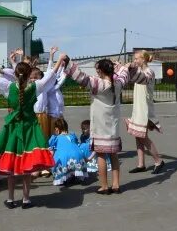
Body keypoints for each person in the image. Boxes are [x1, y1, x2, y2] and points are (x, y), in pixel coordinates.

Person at [0, 55, 60, 209]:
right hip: (29, 128)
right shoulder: (35, 87)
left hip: (12, 129)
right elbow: (51, 76)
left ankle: (11, 199)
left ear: (16, 74)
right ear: (28, 74)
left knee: (11, 166)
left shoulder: (9, 87)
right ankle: (26, 200)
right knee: (27, 165)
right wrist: (59, 60)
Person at [62, 57, 130, 194]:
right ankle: (116, 185)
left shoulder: (99, 84)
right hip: (113, 126)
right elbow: (124, 75)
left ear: (101, 70)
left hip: (100, 126)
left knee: (101, 155)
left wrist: (68, 62)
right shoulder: (117, 84)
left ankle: (104, 186)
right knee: (114, 155)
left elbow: (81, 77)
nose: (96, 71)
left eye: (97, 69)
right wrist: (121, 66)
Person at [125, 51, 165, 174]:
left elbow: (143, 78)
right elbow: (129, 77)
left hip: (145, 110)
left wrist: (131, 68)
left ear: (144, 59)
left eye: (137, 58)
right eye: (134, 59)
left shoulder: (149, 72)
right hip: (138, 108)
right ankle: (141, 164)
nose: (135, 60)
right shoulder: (139, 71)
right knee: (138, 136)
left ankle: (158, 161)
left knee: (143, 137)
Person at [48, 118, 87, 186]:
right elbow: (75, 144)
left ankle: (64, 177)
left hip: (64, 159)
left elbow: (52, 152)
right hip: (78, 157)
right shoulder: (72, 135)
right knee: (73, 157)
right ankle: (73, 175)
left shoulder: (55, 138)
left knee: (59, 158)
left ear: (56, 129)